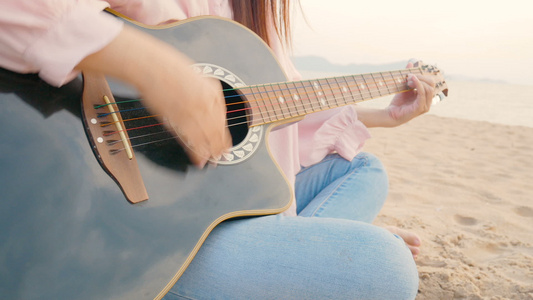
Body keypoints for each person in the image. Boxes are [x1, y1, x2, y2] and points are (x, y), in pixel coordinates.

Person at [0, 1, 436, 299]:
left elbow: (276, 117)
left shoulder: (251, 16)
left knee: (364, 171)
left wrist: (386, 115)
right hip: (135, 221)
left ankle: (294, 251)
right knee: (386, 266)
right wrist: (154, 70)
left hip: (213, 197)